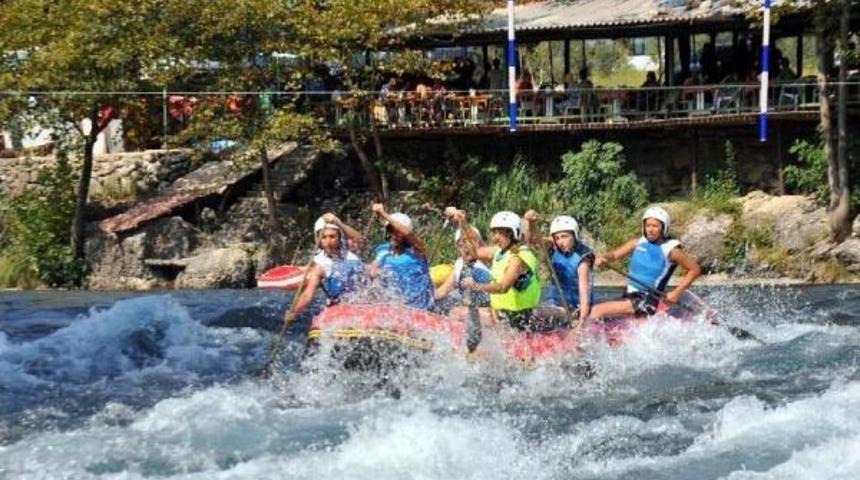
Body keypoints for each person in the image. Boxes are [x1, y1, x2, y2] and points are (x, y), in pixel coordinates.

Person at [590, 206, 701, 320]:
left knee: (596, 310)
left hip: (648, 299)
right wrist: (604, 258)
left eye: (655, 226)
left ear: (664, 228)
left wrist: (676, 293)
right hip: (630, 295)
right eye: (648, 225)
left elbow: (695, 269)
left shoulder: (672, 250)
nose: (650, 229)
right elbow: (614, 255)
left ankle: (581, 335)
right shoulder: (638, 242)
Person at [452, 209, 544, 332]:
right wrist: (462, 223)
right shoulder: (499, 251)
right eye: (493, 232)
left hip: (519, 318)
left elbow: (503, 288)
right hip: (503, 315)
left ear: (511, 233)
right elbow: (474, 251)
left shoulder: (518, 258)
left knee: (458, 313)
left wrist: (476, 286)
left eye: (498, 233)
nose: (494, 237)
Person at [283, 213, 369, 325]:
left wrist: (338, 223)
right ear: (318, 241)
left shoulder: (349, 248)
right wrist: (294, 311)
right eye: (323, 237)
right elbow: (308, 294)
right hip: (340, 306)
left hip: (364, 300)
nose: (328, 242)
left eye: (332, 236)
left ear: (339, 237)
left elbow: (362, 240)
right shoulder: (320, 265)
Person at [522, 210, 594, 328]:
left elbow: (584, 294)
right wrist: (531, 223)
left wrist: (582, 323)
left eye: (565, 237)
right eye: (557, 238)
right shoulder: (553, 247)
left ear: (574, 235)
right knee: (527, 314)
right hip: (557, 305)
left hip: (575, 309)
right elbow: (530, 241)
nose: (560, 242)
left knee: (534, 314)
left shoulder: (583, 260)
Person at [368, 203, 435, 311]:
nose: (394, 235)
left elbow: (408, 232)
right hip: (394, 306)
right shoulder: (383, 251)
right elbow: (371, 270)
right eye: (391, 230)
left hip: (419, 309)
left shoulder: (417, 251)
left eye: (398, 232)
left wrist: (383, 213)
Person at [434, 213, 494, 322]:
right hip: (476, 309)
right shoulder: (459, 264)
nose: (465, 248)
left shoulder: (484, 261)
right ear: (457, 248)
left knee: (457, 313)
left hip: (493, 311)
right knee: (448, 307)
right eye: (461, 244)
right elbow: (442, 291)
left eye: (470, 243)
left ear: (478, 244)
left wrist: (461, 220)